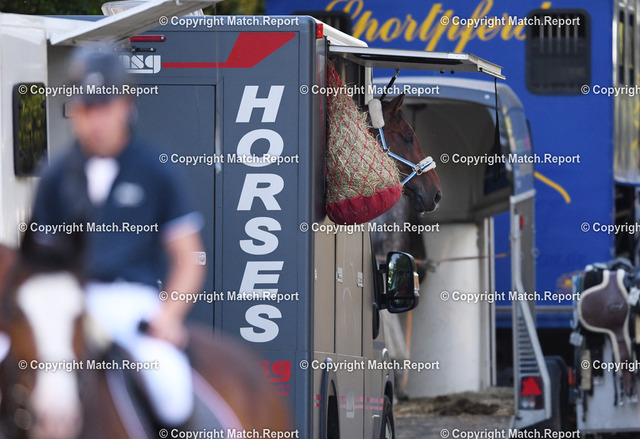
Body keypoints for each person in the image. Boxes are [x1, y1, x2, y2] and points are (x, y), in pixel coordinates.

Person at [30, 46, 205, 427]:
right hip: (66, 306)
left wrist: (169, 315)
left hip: (131, 304)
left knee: (171, 391)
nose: (94, 120)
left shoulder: (156, 171)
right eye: (85, 108)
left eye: (104, 107)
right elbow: (37, 262)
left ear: (126, 105)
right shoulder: (54, 177)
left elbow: (188, 257)